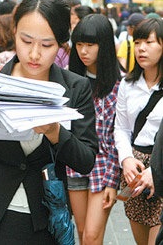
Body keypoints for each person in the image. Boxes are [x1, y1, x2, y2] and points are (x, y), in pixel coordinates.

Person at [0, 0, 98, 245]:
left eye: (46, 45)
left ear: (62, 44)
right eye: (26, 41)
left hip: (45, 220)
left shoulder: (76, 87)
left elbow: (86, 160)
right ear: (14, 32)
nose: (34, 54)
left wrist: (55, 132)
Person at [68, 14, 122, 245]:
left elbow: (119, 135)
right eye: (79, 44)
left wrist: (112, 181)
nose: (84, 51)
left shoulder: (120, 86)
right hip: (75, 163)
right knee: (82, 232)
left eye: (90, 44)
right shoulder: (69, 80)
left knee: (91, 235)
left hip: (103, 165)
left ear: (105, 46)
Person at [114, 18, 163, 245]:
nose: (141, 48)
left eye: (149, 42)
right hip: (135, 168)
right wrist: (126, 159)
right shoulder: (127, 84)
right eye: (138, 41)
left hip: (159, 165)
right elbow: (121, 127)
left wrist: (157, 170)